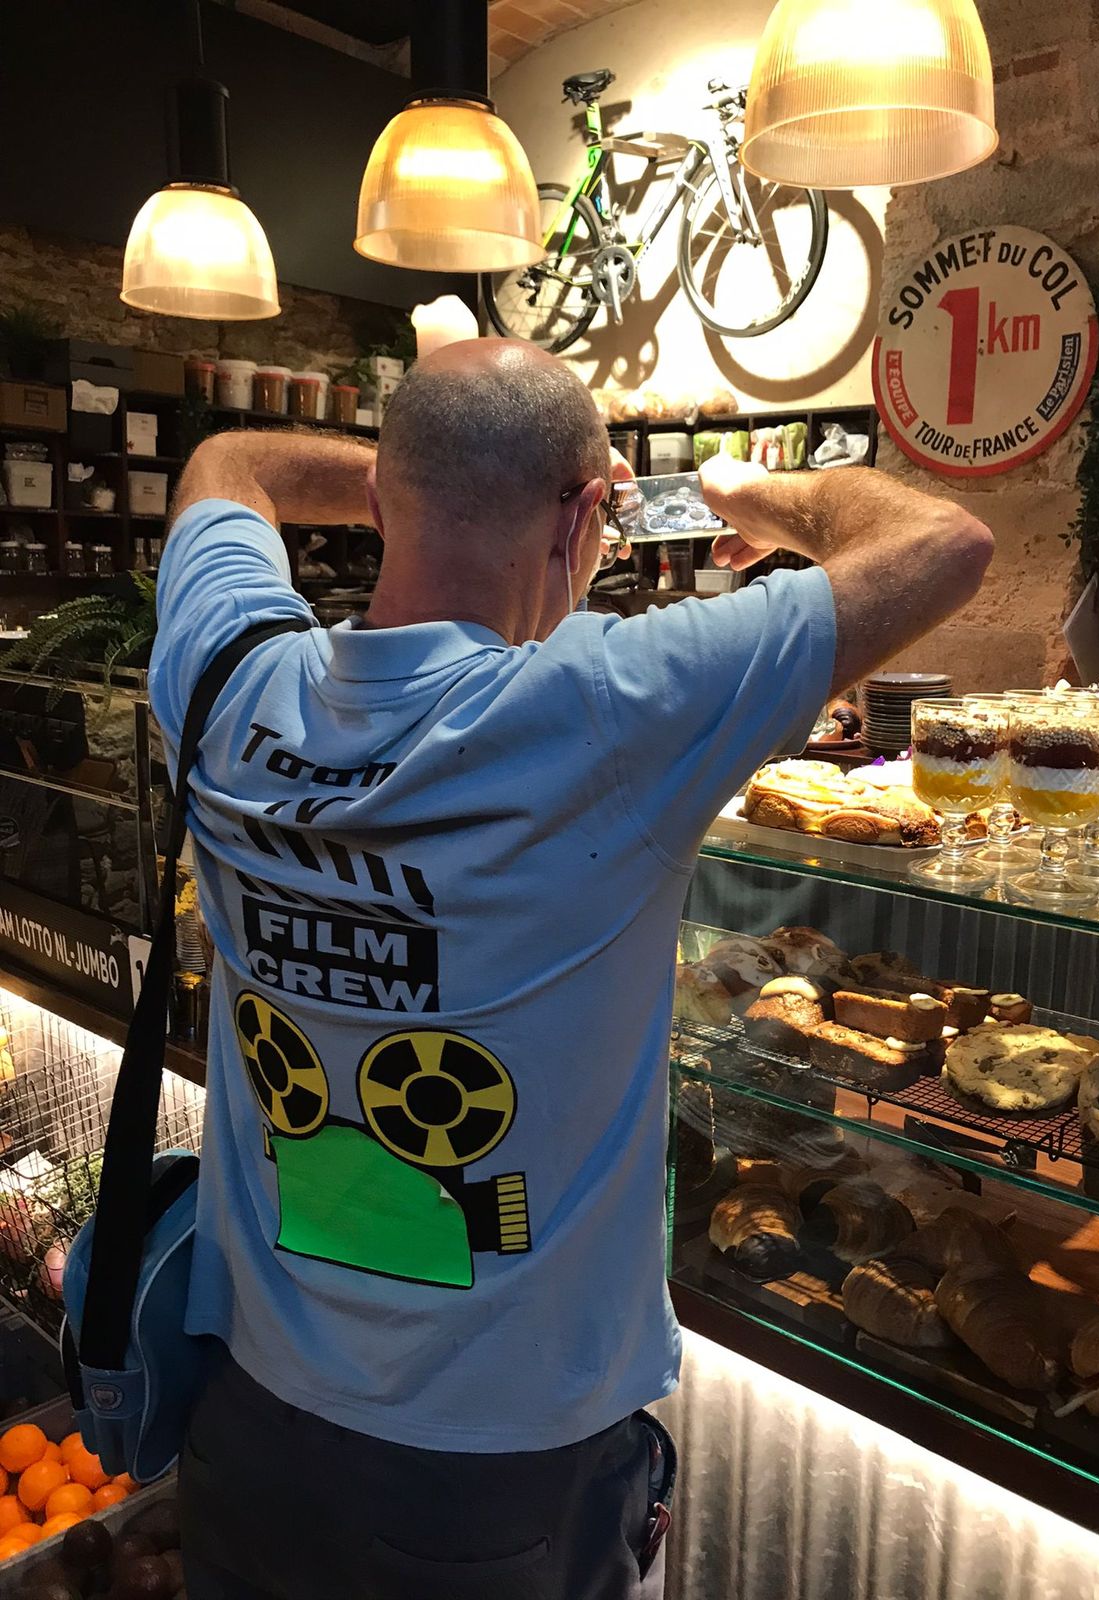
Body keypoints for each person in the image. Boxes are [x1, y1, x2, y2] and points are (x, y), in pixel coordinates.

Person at [150, 338, 992, 1600]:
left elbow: (231, 462)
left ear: (381, 497)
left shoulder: (228, 672)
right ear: (586, 516)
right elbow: (947, 541)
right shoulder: (605, 707)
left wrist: (423, 473)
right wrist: (762, 498)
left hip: (246, 1420)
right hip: (493, 1480)